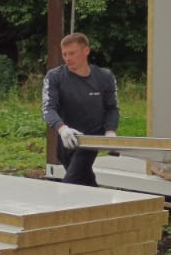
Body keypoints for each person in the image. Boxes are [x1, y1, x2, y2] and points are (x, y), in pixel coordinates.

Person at [41, 31, 120, 186]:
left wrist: (110, 130)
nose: (68, 58)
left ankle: (60, 209)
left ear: (86, 51)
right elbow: (48, 109)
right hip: (67, 140)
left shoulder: (105, 77)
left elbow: (112, 108)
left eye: (72, 53)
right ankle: (103, 205)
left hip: (91, 138)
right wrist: (62, 128)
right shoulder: (55, 77)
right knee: (85, 182)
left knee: (71, 183)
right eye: (64, 54)